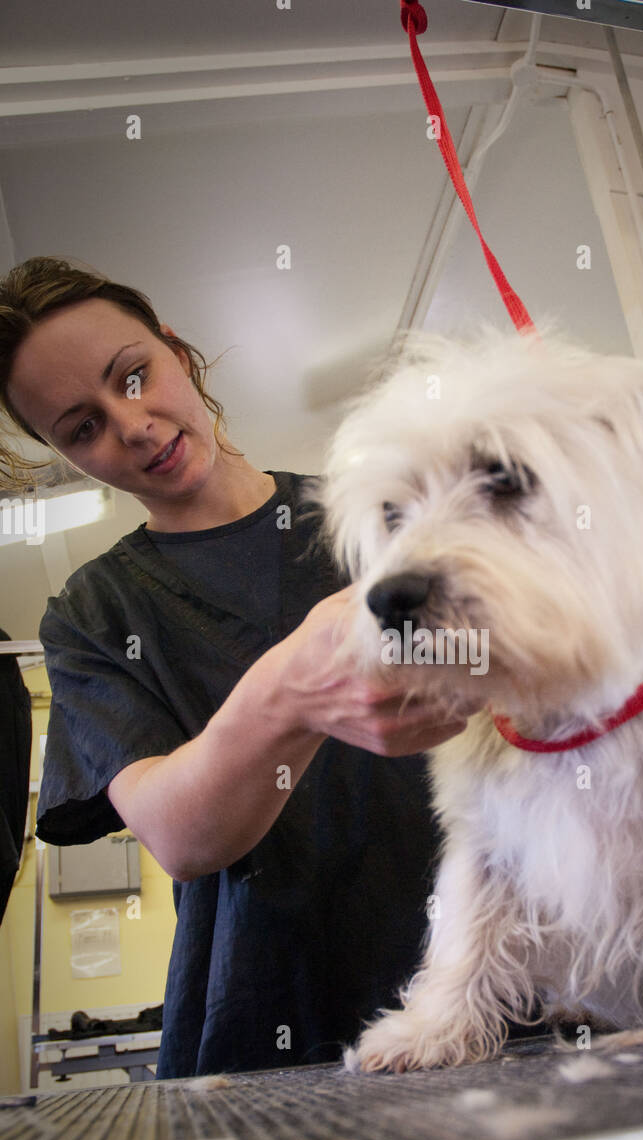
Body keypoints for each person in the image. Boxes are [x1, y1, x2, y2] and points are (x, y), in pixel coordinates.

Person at [0, 255, 488, 1077]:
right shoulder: (95, 613)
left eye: (133, 376)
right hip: (266, 1014)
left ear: (177, 352)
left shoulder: (372, 514)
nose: (133, 426)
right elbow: (181, 837)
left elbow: (511, 680)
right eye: (81, 428)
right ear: (65, 455)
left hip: (479, 968)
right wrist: (289, 692)